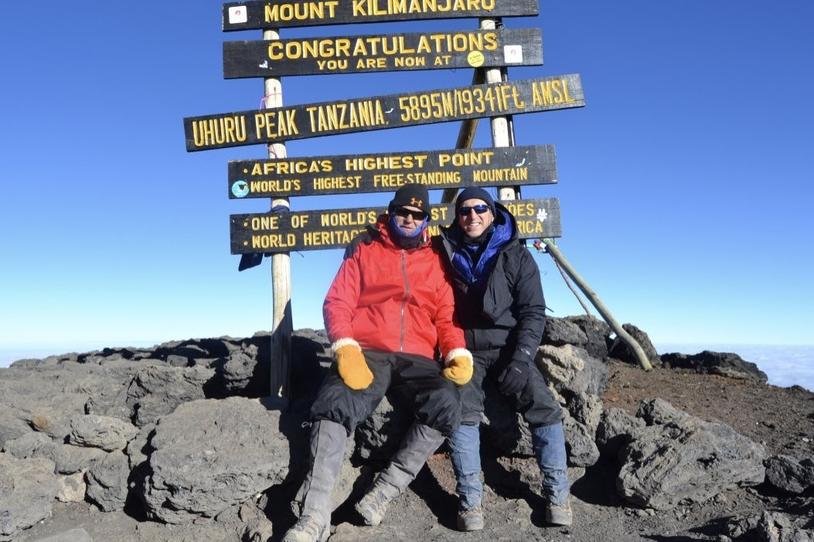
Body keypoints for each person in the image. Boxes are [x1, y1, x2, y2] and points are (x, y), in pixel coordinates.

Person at [283, 184, 474, 542]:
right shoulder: (364, 247)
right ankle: (314, 516)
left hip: (417, 355)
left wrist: (455, 351)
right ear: (391, 212)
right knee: (335, 401)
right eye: (403, 212)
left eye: (418, 215)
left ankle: (383, 492)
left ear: (426, 220)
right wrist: (345, 347)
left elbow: (446, 316)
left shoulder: (436, 257)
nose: (409, 219)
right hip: (368, 349)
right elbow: (338, 301)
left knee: (447, 402)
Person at [436, 187, 572, 531]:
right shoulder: (444, 253)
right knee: (461, 412)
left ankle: (558, 497)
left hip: (509, 345)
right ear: (457, 216)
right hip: (464, 348)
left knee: (543, 405)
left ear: (493, 213)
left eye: (480, 208)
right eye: (465, 210)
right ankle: (471, 503)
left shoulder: (516, 256)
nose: (472, 216)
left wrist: (522, 359)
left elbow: (533, 311)